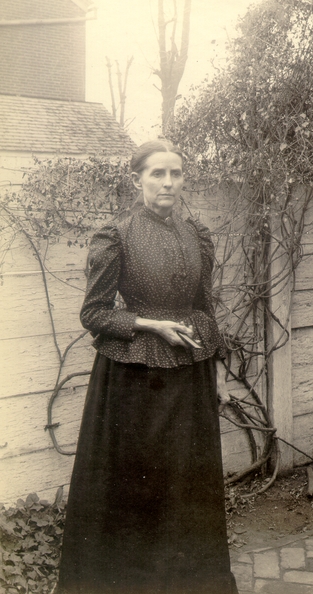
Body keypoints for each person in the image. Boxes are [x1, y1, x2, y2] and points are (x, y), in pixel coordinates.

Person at [55, 140, 238, 594]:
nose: (168, 183)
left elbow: (202, 307)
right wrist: (152, 324)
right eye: (158, 174)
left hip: (188, 382)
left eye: (176, 173)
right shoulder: (115, 235)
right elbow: (94, 314)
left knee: (186, 490)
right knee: (137, 494)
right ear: (137, 179)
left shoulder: (198, 235)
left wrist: (213, 363)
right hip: (134, 383)